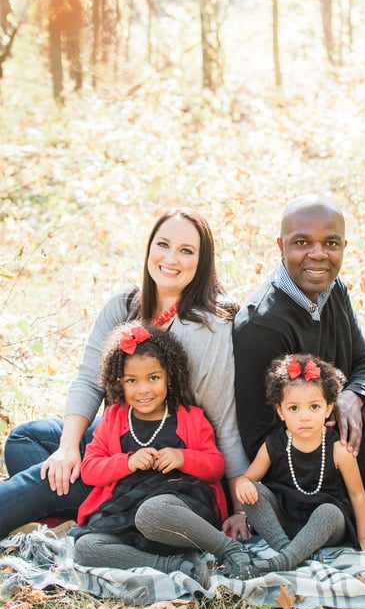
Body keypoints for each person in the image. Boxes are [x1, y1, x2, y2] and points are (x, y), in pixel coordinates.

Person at [2, 207, 249, 540]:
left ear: (202, 262)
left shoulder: (209, 325)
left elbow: (224, 422)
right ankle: (80, 513)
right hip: (115, 437)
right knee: (25, 440)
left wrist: (239, 509)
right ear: (149, 248)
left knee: (43, 482)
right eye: (163, 244)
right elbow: (89, 381)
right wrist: (68, 449)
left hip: (161, 466)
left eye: (186, 251)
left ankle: (82, 507)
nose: (171, 258)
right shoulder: (124, 304)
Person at [233, 194, 365, 500]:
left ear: (344, 247)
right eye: (302, 242)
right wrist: (345, 418)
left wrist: (354, 397)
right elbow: (263, 444)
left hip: (352, 428)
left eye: (331, 243)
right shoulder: (262, 326)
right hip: (320, 472)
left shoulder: (333, 287)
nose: (318, 254)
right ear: (281, 247)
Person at [73, 321, 256, 582]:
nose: (143, 389)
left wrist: (184, 458)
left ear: (169, 376)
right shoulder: (114, 418)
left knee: (153, 511)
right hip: (127, 511)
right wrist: (128, 462)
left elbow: (215, 465)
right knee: (86, 547)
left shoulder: (190, 417)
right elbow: (90, 470)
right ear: (119, 383)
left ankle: (229, 549)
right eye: (132, 381)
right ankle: (174, 566)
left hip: (180, 508)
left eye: (153, 378)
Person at [235, 353, 365, 573]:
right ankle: (286, 551)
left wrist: (364, 539)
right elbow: (247, 478)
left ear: (328, 408)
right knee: (253, 492)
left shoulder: (338, 449)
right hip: (286, 521)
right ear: (280, 411)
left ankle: (284, 560)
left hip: (327, 526)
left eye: (314, 407)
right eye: (294, 408)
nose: (304, 417)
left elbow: (357, 494)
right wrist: (243, 484)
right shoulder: (274, 445)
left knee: (329, 511)